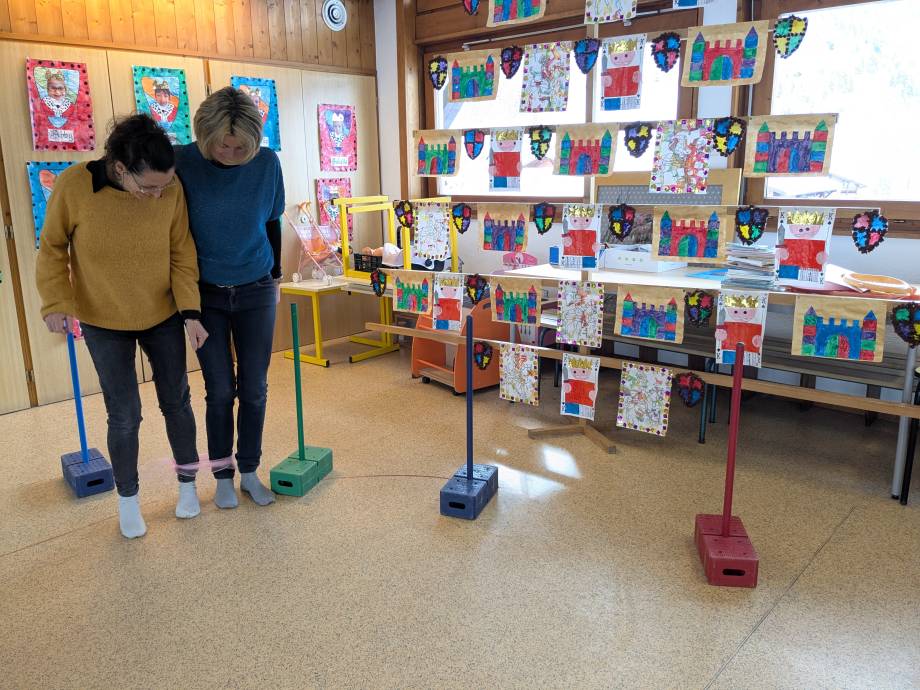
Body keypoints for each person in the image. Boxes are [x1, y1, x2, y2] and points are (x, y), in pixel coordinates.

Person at [36, 114, 208, 539]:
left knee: (177, 402)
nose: (156, 195)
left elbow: (181, 250)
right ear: (119, 169)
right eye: (147, 186)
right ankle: (128, 499)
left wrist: (190, 311)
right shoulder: (75, 186)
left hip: (162, 313)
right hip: (102, 317)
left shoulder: (170, 190)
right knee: (125, 415)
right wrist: (57, 302)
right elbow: (53, 247)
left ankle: (188, 486)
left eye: (164, 186)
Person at [174, 86, 285, 508]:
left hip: (256, 287)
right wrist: (186, 308)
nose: (232, 153)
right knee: (220, 390)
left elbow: (272, 222)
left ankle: (250, 472)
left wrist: (274, 278)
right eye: (224, 144)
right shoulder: (183, 162)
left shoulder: (267, 163)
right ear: (205, 135)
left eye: (242, 147)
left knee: (254, 388)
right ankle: (222, 474)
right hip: (206, 296)